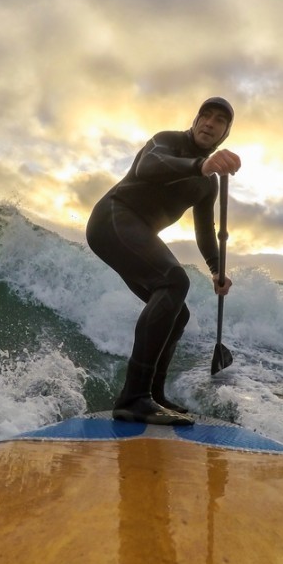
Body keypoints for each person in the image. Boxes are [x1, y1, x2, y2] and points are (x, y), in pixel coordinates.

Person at [86, 97, 242, 426]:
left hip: (137, 231)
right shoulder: (167, 141)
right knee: (174, 280)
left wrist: (216, 270)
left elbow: (205, 231)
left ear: (224, 134)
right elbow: (148, 167)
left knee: (178, 312)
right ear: (196, 119)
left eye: (219, 121)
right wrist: (200, 165)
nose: (209, 123)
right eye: (205, 115)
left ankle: (153, 395)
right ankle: (133, 398)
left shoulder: (207, 183)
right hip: (113, 218)